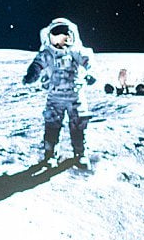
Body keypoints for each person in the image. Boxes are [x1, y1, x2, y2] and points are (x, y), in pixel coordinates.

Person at [22, 17, 95, 166]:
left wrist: (91, 74)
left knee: (78, 127)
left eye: (64, 35)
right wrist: (32, 75)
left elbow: (89, 61)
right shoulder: (47, 54)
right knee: (52, 127)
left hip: (75, 97)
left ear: (71, 36)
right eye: (56, 36)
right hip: (55, 98)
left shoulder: (76, 51)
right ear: (50, 37)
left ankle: (80, 153)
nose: (61, 40)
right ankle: (50, 156)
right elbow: (37, 65)